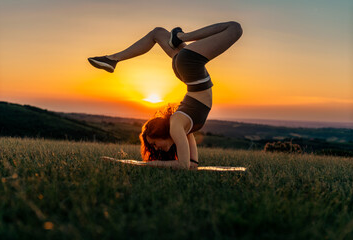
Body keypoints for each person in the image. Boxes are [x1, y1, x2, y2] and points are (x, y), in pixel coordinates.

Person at [89, 21, 243, 170]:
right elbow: (191, 165)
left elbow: (183, 166)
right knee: (157, 33)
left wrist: (137, 163)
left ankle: (181, 37)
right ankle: (113, 59)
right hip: (187, 68)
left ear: (160, 133)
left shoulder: (176, 125)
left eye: (154, 143)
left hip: (190, 65)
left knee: (235, 28)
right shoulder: (181, 128)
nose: (156, 148)